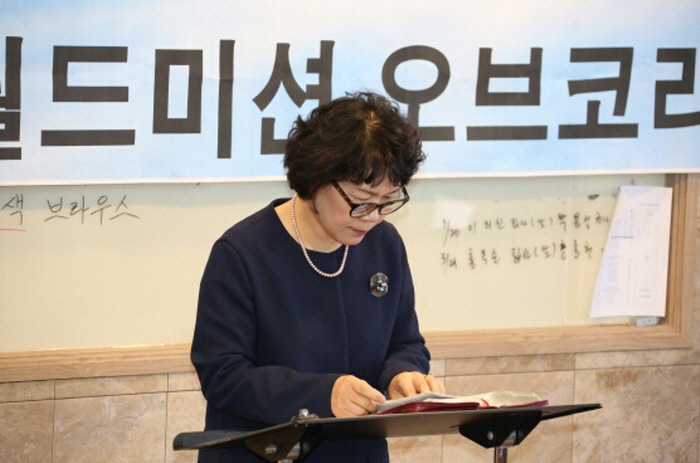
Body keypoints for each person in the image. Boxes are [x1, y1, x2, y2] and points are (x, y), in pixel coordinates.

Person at [191, 91, 445, 463]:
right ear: (316, 179)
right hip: (263, 454)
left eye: (387, 201)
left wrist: (402, 374)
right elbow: (223, 376)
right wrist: (323, 395)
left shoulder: (384, 244)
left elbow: (405, 342)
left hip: (359, 454)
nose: (373, 216)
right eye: (361, 200)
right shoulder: (242, 253)